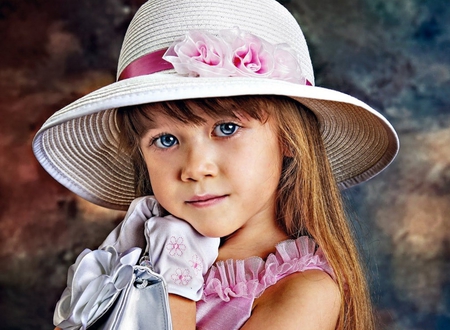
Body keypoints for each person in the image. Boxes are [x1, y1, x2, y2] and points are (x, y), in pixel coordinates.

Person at [32, 0, 399, 329]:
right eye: (166, 140)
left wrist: (170, 285)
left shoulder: (304, 293)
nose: (195, 168)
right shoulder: (139, 255)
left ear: (287, 138)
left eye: (226, 128)